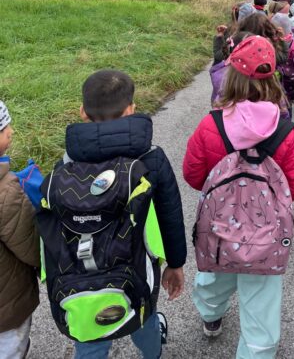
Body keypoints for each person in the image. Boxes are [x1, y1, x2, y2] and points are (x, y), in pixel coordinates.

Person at [40, 70, 187, 359]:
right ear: (131, 109)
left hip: (80, 273)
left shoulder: (66, 164)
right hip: (136, 265)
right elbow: (170, 213)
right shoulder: (151, 158)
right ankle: (153, 353)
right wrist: (176, 263)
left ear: (82, 112)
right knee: (144, 317)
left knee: (89, 333)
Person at [183, 36, 294, 358]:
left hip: (219, 227)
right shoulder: (284, 132)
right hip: (266, 233)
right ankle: (256, 351)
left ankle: (211, 314)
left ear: (232, 77)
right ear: (272, 79)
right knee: (262, 299)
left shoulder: (211, 125)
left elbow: (193, 174)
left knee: (214, 275)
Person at [0, 101, 40, 359]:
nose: (11, 131)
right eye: (4, 128)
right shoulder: (6, 192)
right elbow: (30, 247)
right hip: (7, 306)